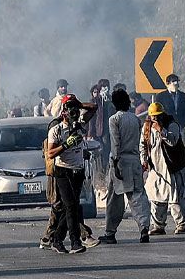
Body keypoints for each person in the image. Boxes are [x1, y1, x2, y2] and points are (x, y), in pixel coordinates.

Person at [46, 95, 98, 254]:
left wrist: (79, 104)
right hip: (63, 170)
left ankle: (57, 239)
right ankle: (75, 241)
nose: (74, 112)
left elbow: (94, 108)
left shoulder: (80, 125)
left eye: (75, 109)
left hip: (78, 170)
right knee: (71, 206)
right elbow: (50, 153)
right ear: (63, 112)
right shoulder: (56, 130)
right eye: (70, 109)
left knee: (72, 206)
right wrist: (66, 144)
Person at [99, 89, 151, 245]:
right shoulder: (135, 119)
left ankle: (110, 232)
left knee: (114, 199)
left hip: (120, 162)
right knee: (138, 196)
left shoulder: (114, 119)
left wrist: (115, 164)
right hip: (134, 161)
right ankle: (144, 228)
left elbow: (115, 144)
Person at [142, 102, 185, 236]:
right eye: (153, 117)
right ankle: (158, 225)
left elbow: (172, 141)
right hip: (157, 169)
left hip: (173, 167)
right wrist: (144, 160)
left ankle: (181, 225)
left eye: (158, 116)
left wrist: (161, 130)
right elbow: (143, 145)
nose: (155, 119)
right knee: (156, 197)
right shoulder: (147, 127)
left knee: (176, 198)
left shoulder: (172, 125)